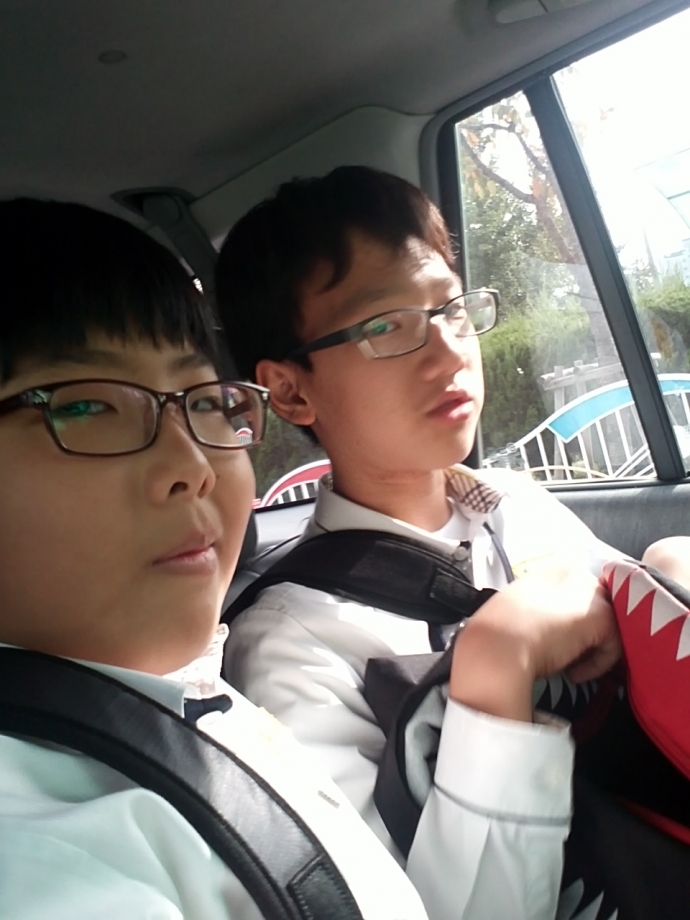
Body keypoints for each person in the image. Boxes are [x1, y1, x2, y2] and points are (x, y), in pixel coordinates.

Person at [0, 197, 437, 920]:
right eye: (86, 406)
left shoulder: (180, 695)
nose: (193, 465)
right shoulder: (43, 853)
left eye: (204, 402)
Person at [214, 166, 629, 920]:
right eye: (385, 327)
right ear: (292, 390)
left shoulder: (519, 508)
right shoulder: (292, 648)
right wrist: (497, 666)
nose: (448, 354)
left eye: (452, 309)